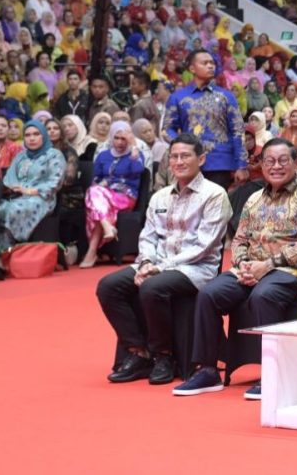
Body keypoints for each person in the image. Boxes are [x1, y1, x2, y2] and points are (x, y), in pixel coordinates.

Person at [173, 139, 297, 398]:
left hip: (294, 272)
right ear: (262, 164)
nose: (276, 166)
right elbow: (240, 239)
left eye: (282, 161)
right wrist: (243, 265)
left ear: (295, 163)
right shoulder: (254, 198)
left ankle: (274, 374)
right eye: (269, 161)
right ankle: (208, 369)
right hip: (251, 269)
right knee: (209, 294)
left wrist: (267, 265)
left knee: (264, 294)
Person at [95, 135, 231, 384]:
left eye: (185, 156)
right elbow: (148, 236)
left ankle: (163, 355)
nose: (178, 161)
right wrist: (146, 262)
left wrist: (158, 268)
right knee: (108, 286)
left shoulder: (215, 195)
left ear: (201, 159)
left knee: (151, 287)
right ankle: (138, 351)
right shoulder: (160, 196)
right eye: (174, 157)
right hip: (157, 264)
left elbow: (204, 246)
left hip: (195, 269)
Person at [163, 50, 247, 190]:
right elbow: (167, 129)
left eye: (212, 63)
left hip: (220, 162)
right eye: (205, 63)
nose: (210, 66)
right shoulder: (178, 97)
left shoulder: (226, 97)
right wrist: (182, 145)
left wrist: (241, 164)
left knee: (216, 208)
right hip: (189, 161)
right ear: (192, 68)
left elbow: (238, 131)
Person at [80, 121, 146, 268]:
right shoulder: (103, 155)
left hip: (125, 197)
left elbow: (138, 171)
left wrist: (134, 149)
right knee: (95, 192)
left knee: (93, 195)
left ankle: (96, 244)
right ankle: (102, 234)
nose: (120, 142)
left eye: (124, 139)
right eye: (116, 138)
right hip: (103, 197)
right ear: (111, 137)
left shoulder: (135, 155)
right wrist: (101, 183)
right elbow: (95, 178)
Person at [0, 121, 66, 253]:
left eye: (36, 134)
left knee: (11, 210)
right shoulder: (21, 156)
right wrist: (12, 188)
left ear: (43, 136)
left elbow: (55, 182)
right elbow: (9, 178)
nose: (31, 138)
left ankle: (5, 253)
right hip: (17, 197)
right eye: (27, 135)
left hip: (42, 198)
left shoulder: (54, 155)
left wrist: (30, 191)